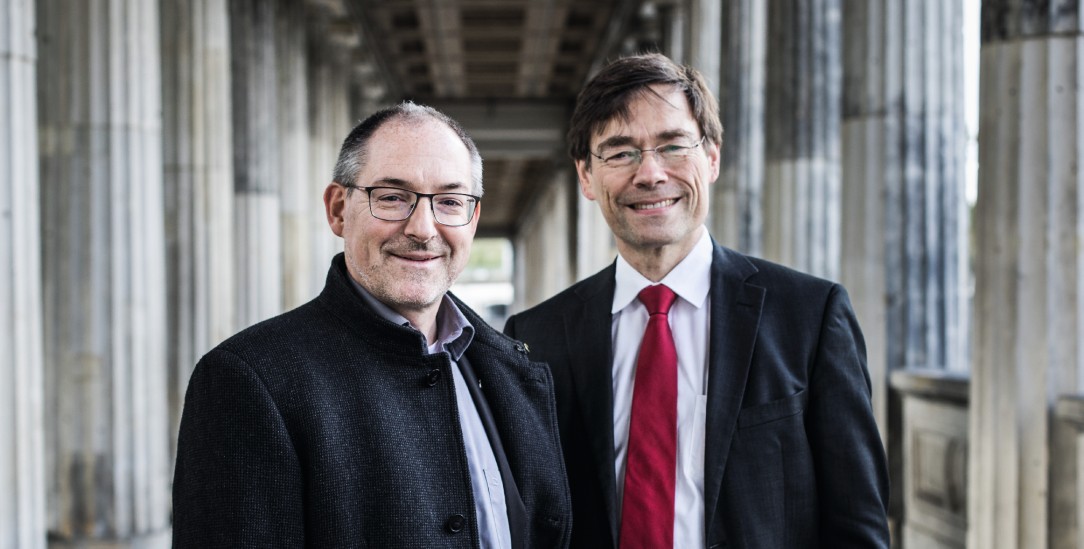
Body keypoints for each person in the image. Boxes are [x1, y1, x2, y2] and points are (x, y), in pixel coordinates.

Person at [504, 53, 889, 548]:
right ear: (585, 176)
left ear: (711, 158)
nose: (650, 173)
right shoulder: (535, 338)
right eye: (620, 152)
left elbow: (858, 526)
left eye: (672, 146)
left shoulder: (810, 317)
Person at [173, 102, 571, 548]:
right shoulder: (249, 379)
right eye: (392, 197)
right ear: (339, 209)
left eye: (450, 202)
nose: (423, 228)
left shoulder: (510, 370)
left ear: (472, 219)